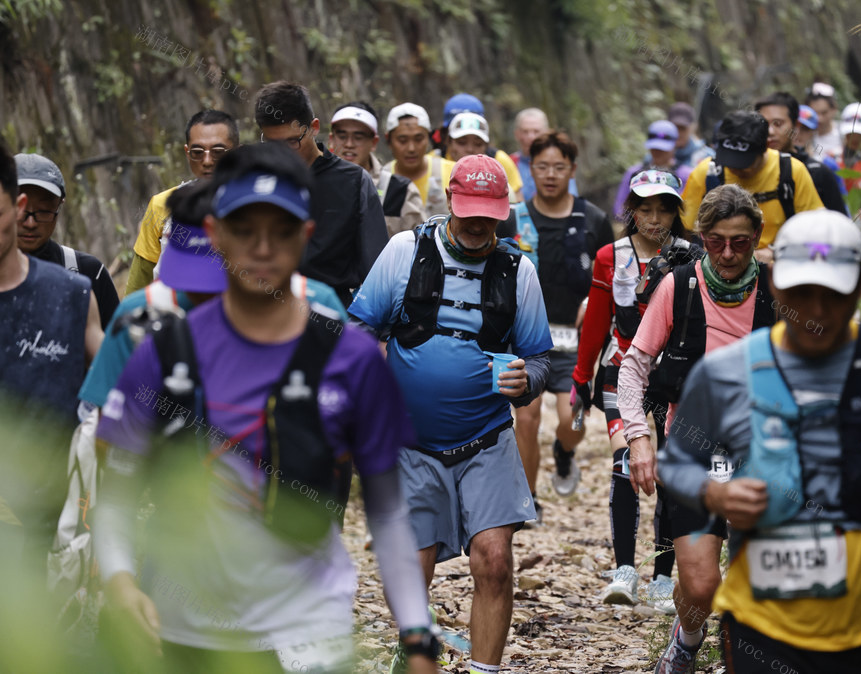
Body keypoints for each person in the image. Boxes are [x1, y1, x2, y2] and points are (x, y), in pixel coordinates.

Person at [93, 142, 436, 674]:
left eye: (281, 231)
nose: (262, 248)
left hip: (309, 633)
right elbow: (115, 493)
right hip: (181, 630)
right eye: (245, 230)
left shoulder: (351, 359)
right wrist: (119, 583)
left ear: (305, 235)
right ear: (215, 234)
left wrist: (416, 635)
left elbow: (387, 510)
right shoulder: (163, 353)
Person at [659, 209, 861, 673]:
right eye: (802, 293)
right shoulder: (727, 372)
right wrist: (714, 493)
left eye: (834, 294)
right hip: (760, 623)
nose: (818, 311)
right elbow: (676, 464)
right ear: (775, 285)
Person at [348, 154, 552, 674]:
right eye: (470, 213)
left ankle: (485, 670)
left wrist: (526, 381)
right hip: (410, 443)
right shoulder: (405, 251)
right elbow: (359, 328)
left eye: (490, 215)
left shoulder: (518, 271)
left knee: (495, 561)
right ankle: (415, 648)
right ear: (451, 203)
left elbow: (540, 359)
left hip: (487, 437)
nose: (479, 224)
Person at [618, 184, 778, 674]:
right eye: (715, 242)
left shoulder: (779, 291)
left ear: (757, 237)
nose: (727, 254)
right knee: (702, 583)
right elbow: (633, 368)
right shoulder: (679, 287)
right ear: (701, 238)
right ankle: (688, 638)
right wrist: (639, 439)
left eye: (740, 242)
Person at [79, 180, 346, 411]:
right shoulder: (138, 316)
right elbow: (106, 424)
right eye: (188, 275)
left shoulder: (314, 306)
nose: (201, 292)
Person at [573, 169, 700, 610]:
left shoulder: (693, 257)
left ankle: (663, 577)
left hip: (672, 377)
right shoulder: (609, 256)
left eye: (664, 209)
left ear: (676, 213)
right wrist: (580, 376)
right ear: (631, 211)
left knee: (667, 470)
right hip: (619, 368)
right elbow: (596, 321)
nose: (654, 218)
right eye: (645, 209)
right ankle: (625, 569)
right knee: (626, 460)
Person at [498, 131, 615, 520]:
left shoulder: (592, 219)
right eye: (542, 166)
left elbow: (610, 276)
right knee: (526, 418)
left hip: (573, 341)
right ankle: (527, 501)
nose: (550, 175)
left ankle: (565, 451)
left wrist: (591, 304)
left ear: (572, 170)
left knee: (575, 419)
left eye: (559, 167)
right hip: (524, 338)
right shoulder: (512, 219)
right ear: (530, 170)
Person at [0, 142, 103, 569]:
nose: (31, 222)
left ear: (17, 206)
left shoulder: (73, 290)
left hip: (59, 513)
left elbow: (117, 386)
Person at [255, 81, 388, 308]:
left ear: (314, 127)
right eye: (272, 144)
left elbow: (376, 272)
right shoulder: (256, 179)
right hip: (266, 308)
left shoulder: (353, 181)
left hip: (332, 311)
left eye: (292, 141)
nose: (283, 154)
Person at [681, 110, 824, 262]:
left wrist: (775, 251)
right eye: (729, 161)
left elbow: (816, 227)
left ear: (766, 146)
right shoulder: (707, 172)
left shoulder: (791, 171)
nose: (735, 169)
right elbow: (685, 228)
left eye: (743, 163)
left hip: (775, 264)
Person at [126, 109, 239, 294]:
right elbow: (139, 285)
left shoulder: (251, 204)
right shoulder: (163, 205)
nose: (207, 161)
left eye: (218, 152)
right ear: (187, 152)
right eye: (197, 152)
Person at [15, 153, 120, 328]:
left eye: (43, 210)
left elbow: (114, 342)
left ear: (59, 205)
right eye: (20, 210)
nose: (31, 223)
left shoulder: (87, 272)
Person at [328, 101, 425, 236]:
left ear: (374, 143)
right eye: (342, 136)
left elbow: (420, 243)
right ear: (331, 139)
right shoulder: (314, 183)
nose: (349, 144)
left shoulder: (400, 191)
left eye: (358, 137)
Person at [754, 92, 848, 215]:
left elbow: (839, 220)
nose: (770, 131)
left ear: (795, 125)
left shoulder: (819, 172)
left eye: (778, 124)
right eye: (763, 124)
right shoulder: (747, 169)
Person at [436, 93, 523, 202]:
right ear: (448, 140)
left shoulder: (500, 162)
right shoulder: (435, 162)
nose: (470, 149)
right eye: (462, 142)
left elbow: (518, 202)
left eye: (478, 144)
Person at [384, 102, 455, 218]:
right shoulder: (380, 180)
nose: (411, 148)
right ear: (389, 140)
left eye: (418, 139)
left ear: (428, 137)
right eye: (402, 140)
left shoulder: (453, 173)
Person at [613, 120, 693, 221]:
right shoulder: (633, 174)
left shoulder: (687, 175)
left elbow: (690, 210)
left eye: (663, 149)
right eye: (654, 148)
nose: (658, 152)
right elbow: (620, 209)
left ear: (675, 145)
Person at [508, 107, 578, 201]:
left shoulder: (560, 162)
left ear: (546, 132)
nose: (531, 137)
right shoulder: (508, 163)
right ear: (517, 134)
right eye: (525, 131)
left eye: (536, 131)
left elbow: (571, 198)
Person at [668, 102, 715, 170]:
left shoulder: (706, 156)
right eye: (674, 127)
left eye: (682, 128)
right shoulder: (659, 154)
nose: (678, 132)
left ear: (693, 127)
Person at [803, 82, 842, 161]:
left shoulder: (844, 134)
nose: (819, 119)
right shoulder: (803, 137)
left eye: (824, 113)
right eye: (814, 113)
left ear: (834, 110)